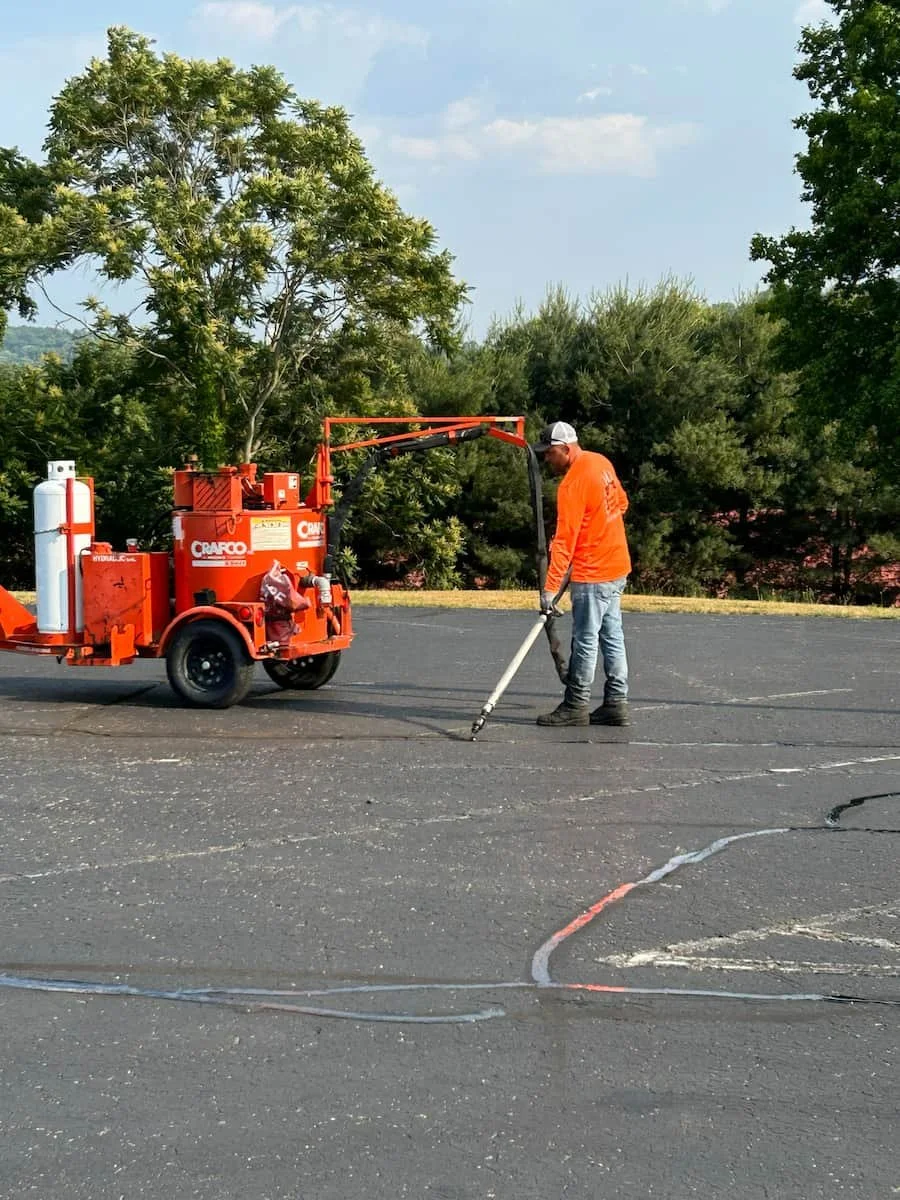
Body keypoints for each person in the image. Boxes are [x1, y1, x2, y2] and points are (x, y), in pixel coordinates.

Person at [533, 421, 632, 727]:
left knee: (585, 639)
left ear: (565, 449)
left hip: (594, 573)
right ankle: (616, 702)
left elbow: (564, 540)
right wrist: (598, 531)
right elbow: (621, 504)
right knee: (612, 635)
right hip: (616, 566)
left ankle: (576, 705)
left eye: (550, 453)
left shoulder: (572, 484)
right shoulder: (600, 462)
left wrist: (550, 589)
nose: (547, 459)